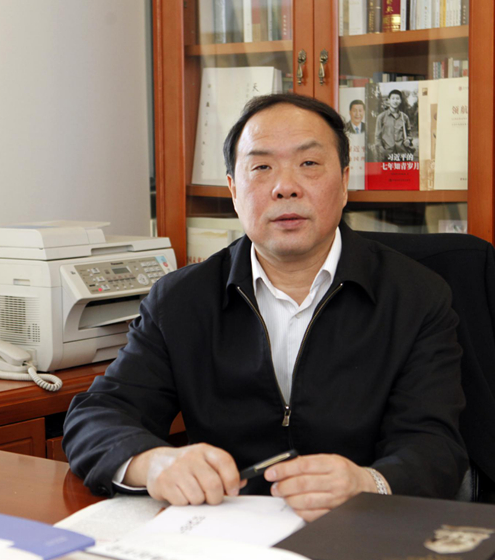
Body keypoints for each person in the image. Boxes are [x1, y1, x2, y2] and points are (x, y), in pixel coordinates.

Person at [63, 93, 468, 522]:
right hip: (225, 529)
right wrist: (152, 463)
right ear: (233, 190)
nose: (285, 187)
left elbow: (434, 446)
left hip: (360, 527)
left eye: (309, 163)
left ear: (345, 182)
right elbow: (97, 416)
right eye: (261, 167)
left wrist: (368, 484)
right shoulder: (181, 301)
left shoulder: (416, 295)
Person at [374, 89, 413, 158]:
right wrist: (382, 151)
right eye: (393, 98)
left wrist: (408, 140)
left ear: (400, 101)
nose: (395, 101)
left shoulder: (405, 117)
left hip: (402, 154)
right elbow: (377, 137)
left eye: (397, 98)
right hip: (387, 154)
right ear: (389, 100)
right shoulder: (381, 117)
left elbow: (409, 134)